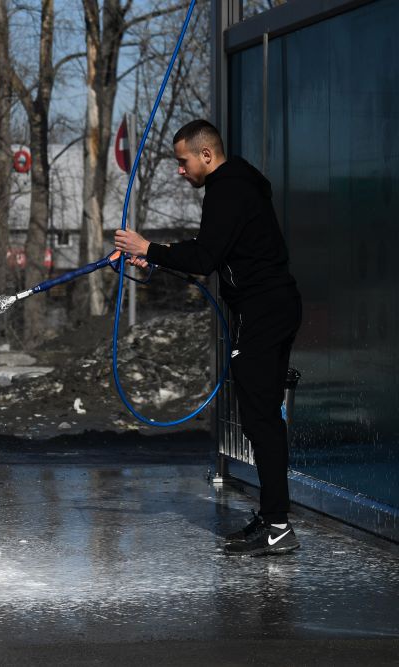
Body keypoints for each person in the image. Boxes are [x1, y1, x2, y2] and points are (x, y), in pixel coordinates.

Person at [114, 119, 302, 557]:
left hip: (262, 312)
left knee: (261, 420)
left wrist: (148, 249)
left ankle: (277, 526)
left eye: (183, 162)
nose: (180, 170)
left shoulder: (226, 190)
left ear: (206, 154)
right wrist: (157, 256)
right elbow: (209, 245)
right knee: (262, 419)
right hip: (275, 307)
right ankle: (272, 518)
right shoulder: (238, 185)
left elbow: (204, 257)